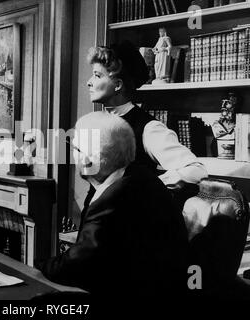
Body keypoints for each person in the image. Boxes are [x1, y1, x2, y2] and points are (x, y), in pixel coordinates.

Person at [38, 112, 189, 298]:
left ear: (87, 160)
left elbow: (78, 265)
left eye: (74, 148)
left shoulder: (114, 198)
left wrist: (39, 266)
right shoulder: (140, 177)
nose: (72, 155)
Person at [86, 42, 207, 191]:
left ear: (118, 85)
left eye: (97, 75)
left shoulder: (149, 128)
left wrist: (145, 188)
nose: (89, 82)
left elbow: (196, 170)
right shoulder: (100, 122)